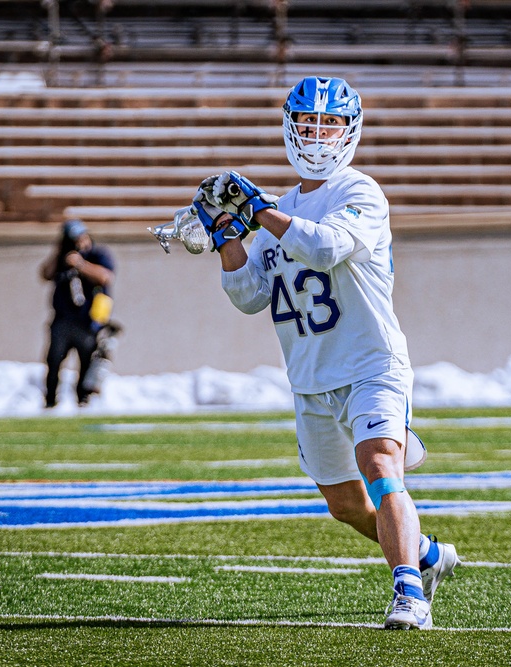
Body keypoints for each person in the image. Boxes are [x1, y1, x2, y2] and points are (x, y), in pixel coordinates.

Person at [191, 76, 459, 630]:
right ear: (290, 127)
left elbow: (323, 245)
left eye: (329, 124)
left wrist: (258, 212)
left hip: (370, 363)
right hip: (310, 375)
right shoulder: (276, 209)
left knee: (380, 465)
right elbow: (247, 296)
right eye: (308, 123)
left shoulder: (360, 192)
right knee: (345, 505)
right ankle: (426, 556)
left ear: (349, 130)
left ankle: (409, 593)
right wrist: (226, 238)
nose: (317, 135)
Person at [40, 219, 115, 408]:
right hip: (63, 320)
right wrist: (59, 251)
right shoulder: (61, 258)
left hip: (87, 321)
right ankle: (50, 401)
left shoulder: (97, 255)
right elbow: (45, 274)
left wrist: (81, 264)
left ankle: (83, 400)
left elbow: (106, 277)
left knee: (86, 361)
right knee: (54, 361)